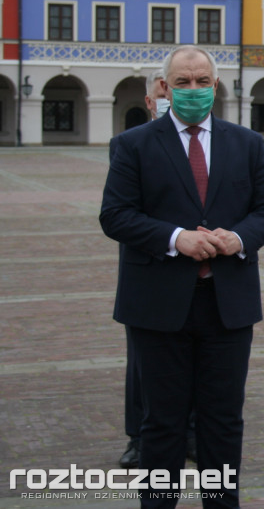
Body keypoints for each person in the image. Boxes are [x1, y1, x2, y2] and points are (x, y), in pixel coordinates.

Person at [100, 46, 264, 508]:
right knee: (160, 424)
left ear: (215, 86)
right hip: (158, 307)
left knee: (223, 423)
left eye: (201, 81)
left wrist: (238, 238)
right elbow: (115, 216)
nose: (193, 90)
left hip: (227, 305)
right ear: (164, 88)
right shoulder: (135, 144)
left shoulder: (246, 143)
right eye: (182, 83)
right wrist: (175, 237)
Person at [117, 70, 171, 469]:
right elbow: (121, 213)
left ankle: (189, 434)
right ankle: (138, 438)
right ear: (150, 103)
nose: (173, 97)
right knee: (142, 368)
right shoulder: (129, 145)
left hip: (204, 275)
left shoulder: (219, 144)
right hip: (149, 272)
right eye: (164, 92)